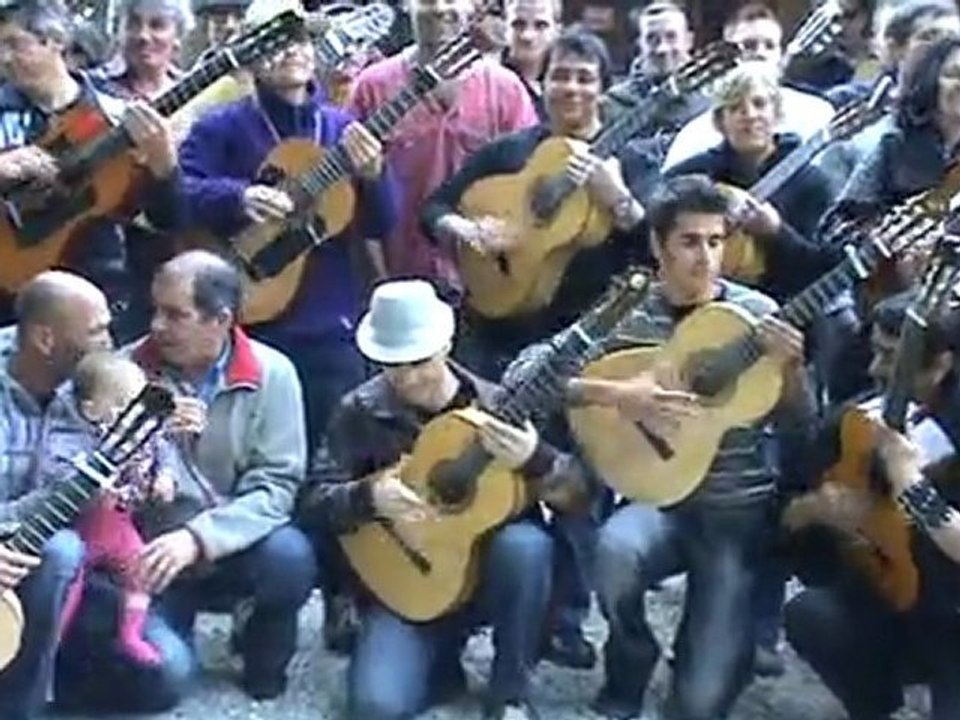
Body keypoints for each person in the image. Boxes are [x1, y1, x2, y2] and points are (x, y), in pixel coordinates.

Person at [551, 174, 815, 719]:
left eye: (716, 241)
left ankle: (723, 648)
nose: (706, 257)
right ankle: (631, 652)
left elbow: (799, 420)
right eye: (690, 241)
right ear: (658, 244)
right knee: (615, 552)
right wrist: (616, 394)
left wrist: (791, 369)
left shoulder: (758, 313)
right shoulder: (629, 311)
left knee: (697, 706)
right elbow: (531, 374)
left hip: (734, 514)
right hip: (659, 498)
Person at [301, 278, 590, 720]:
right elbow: (311, 503)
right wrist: (368, 495)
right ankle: (439, 662)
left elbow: (581, 497)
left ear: (446, 345)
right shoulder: (358, 410)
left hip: (485, 577)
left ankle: (510, 691)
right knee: (376, 708)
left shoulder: (497, 406)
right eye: (393, 365)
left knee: (527, 546)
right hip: (405, 582)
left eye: (419, 361)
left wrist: (536, 457)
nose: (408, 377)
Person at [0, 271, 190, 719]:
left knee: (168, 675)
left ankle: (56, 679)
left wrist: (165, 465)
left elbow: (158, 467)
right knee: (60, 550)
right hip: (27, 560)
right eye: (96, 331)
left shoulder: (106, 377)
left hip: (91, 573)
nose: (110, 341)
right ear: (46, 339)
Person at [127, 250, 316, 700]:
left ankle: (258, 641)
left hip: (232, 544)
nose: (156, 326)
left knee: (291, 557)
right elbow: (101, 485)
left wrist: (199, 538)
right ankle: (169, 630)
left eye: (175, 315)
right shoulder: (125, 371)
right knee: (169, 678)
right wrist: (149, 437)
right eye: (155, 310)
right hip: (151, 555)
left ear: (221, 320)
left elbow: (277, 486)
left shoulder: (273, 373)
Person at [785, 290, 960, 720]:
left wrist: (909, 483)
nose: (875, 369)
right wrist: (815, 509)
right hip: (887, 593)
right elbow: (785, 505)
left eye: (892, 359)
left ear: (941, 365)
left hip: (953, 610)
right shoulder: (857, 417)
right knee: (813, 615)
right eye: (876, 352)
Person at [0, 0, 185, 338]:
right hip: (8, 295)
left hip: (97, 290)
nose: (4, 58)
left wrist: (165, 167)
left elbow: (165, 219)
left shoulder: (116, 110)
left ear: (55, 41)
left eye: (14, 44)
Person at [348, 0, 538, 294]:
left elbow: (529, 183)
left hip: (485, 280)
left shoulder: (505, 90)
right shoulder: (372, 87)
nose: (438, 8)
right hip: (399, 281)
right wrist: (379, 282)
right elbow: (350, 198)